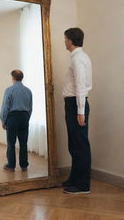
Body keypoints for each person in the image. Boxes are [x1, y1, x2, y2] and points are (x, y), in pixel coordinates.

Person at [62, 27, 92, 194]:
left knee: (80, 145)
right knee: (74, 144)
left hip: (76, 104)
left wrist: (80, 111)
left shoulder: (78, 58)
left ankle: (83, 185)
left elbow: (80, 86)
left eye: (65, 39)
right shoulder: (78, 57)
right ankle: (74, 179)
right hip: (73, 103)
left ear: (71, 41)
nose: (64, 41)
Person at [0, 70, 33, 172]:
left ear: (13, 78)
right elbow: (30, 107)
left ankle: (11, 165)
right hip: (25, 117)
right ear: (21, 78)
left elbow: (5, 107)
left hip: (12, 118)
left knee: (11, 142)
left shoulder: (9, 90)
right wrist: (27, 118)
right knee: (23, 142)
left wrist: (3, 120)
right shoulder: (28, 91)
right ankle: (24, 165)